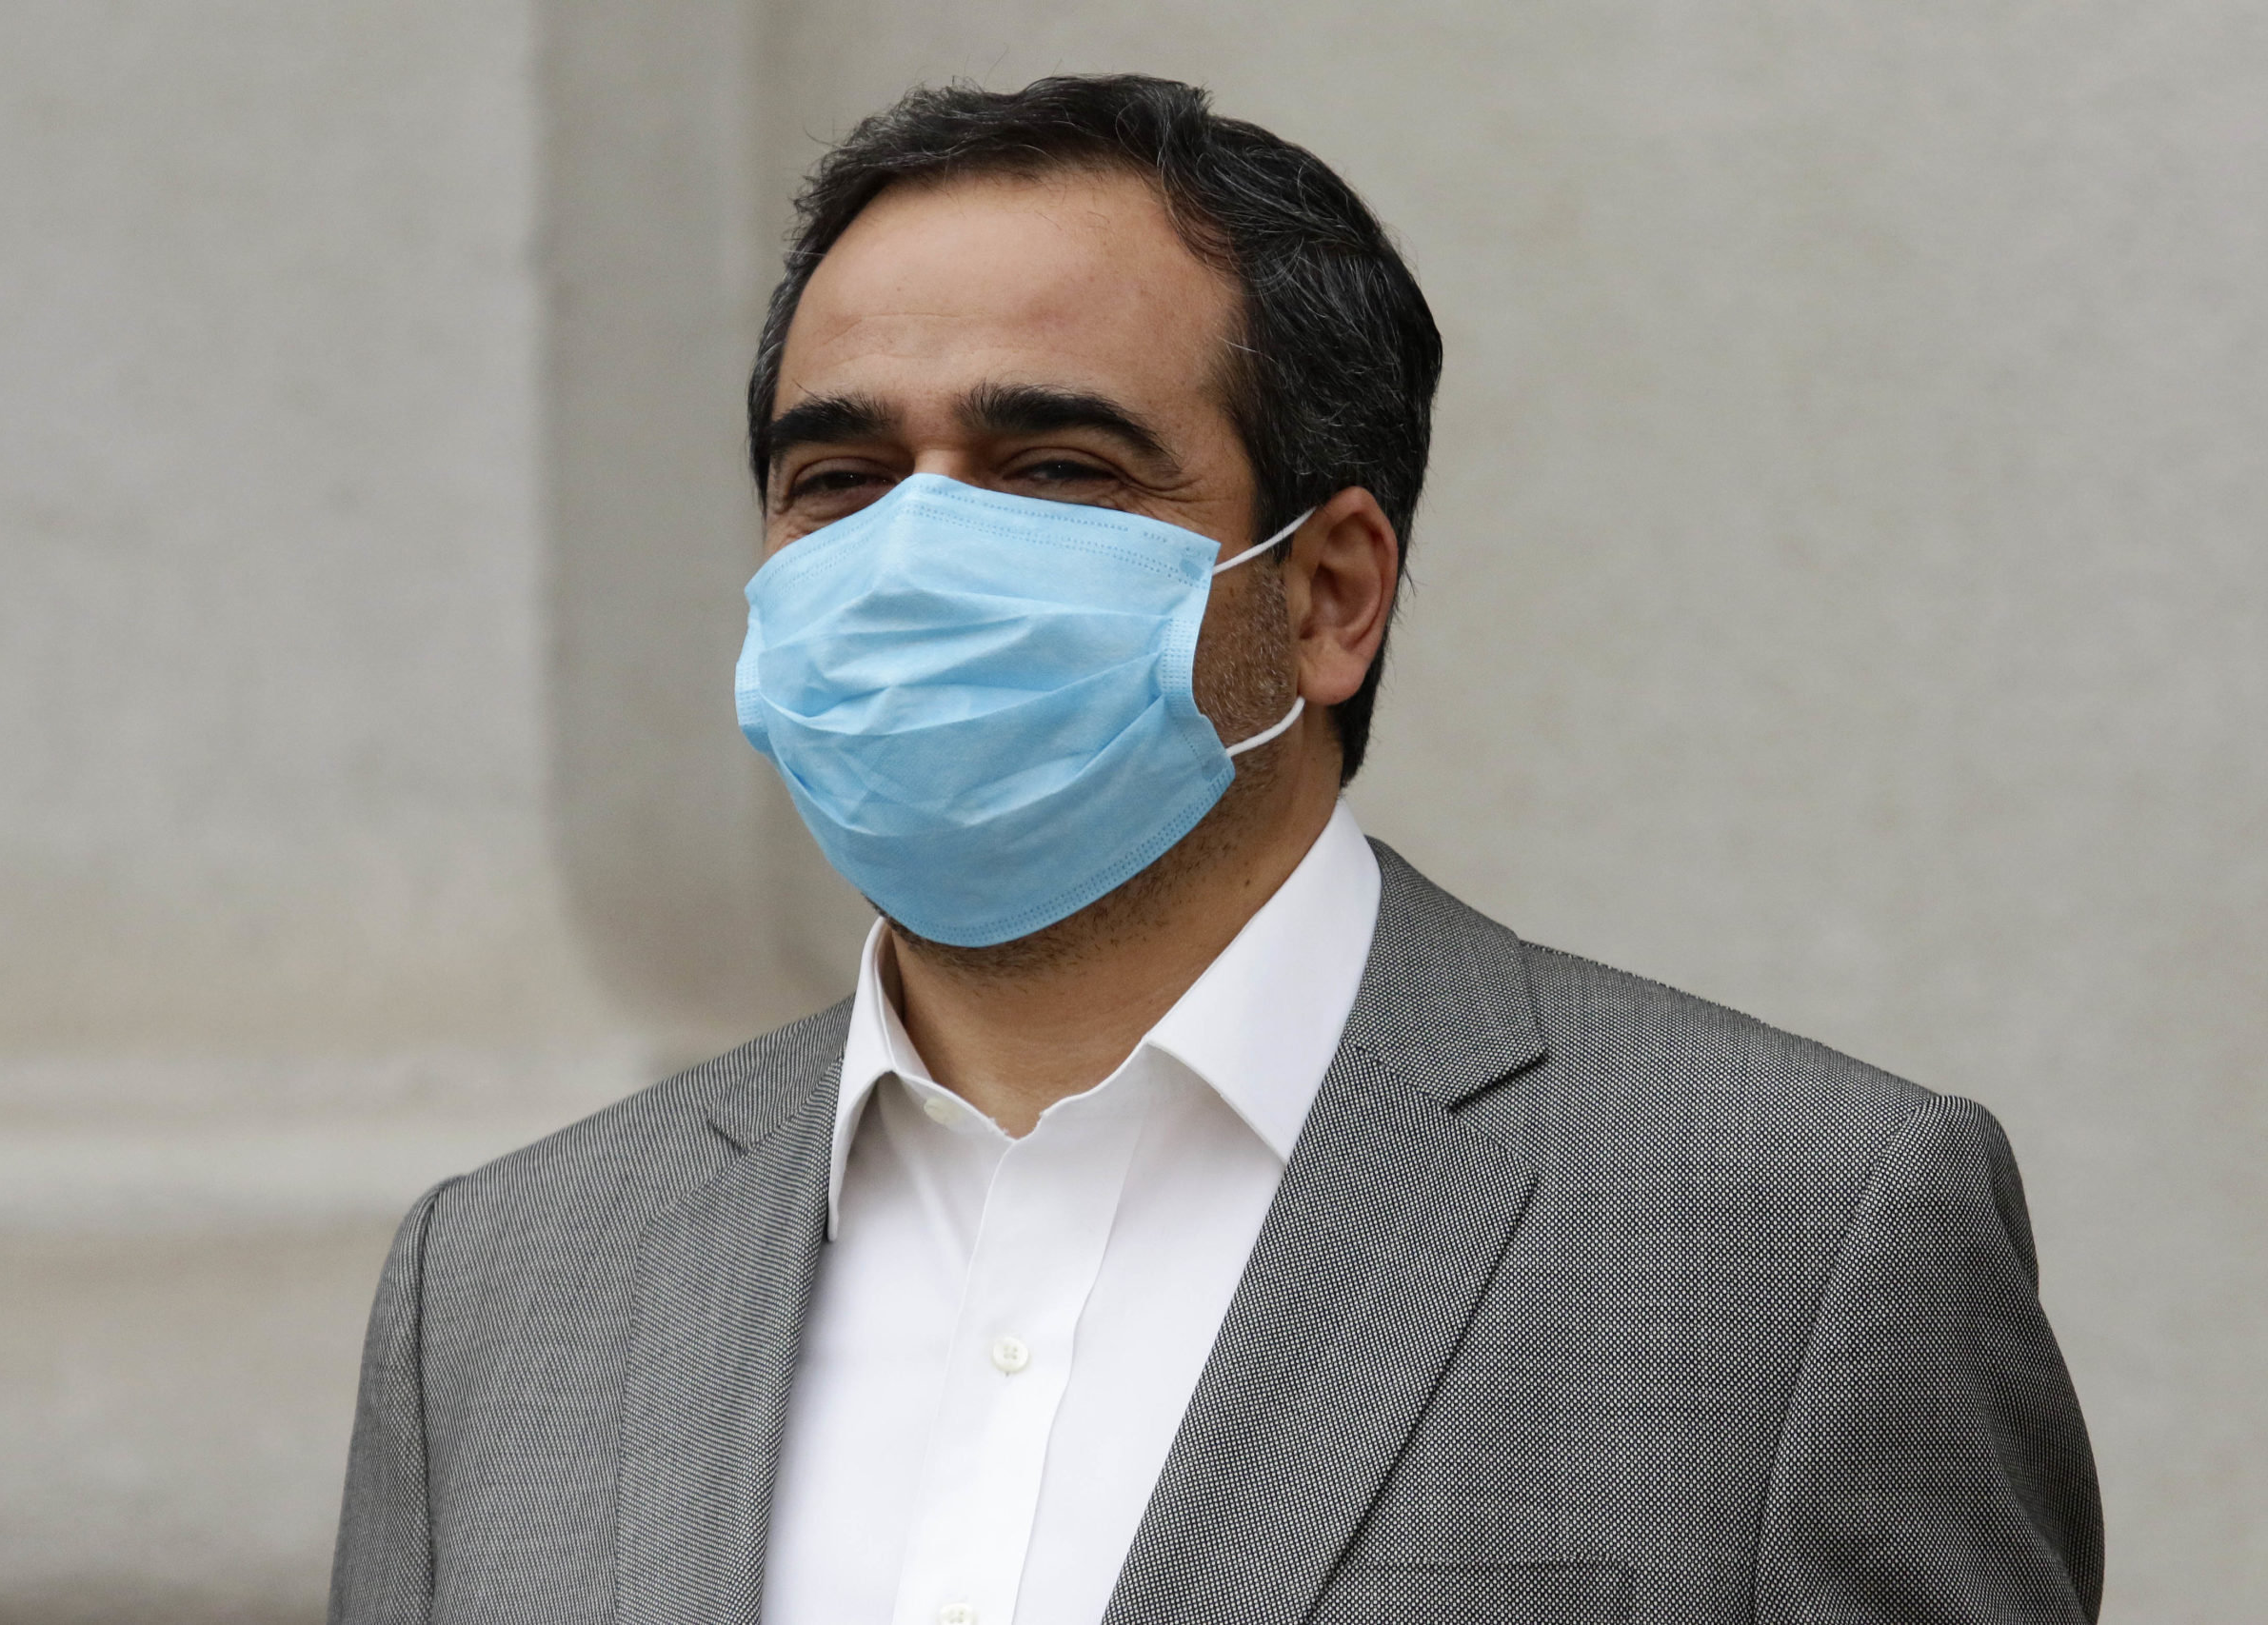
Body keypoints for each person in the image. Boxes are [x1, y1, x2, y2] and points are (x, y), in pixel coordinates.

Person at [329, 74, 2100, 1625]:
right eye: (841, 482)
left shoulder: (1794, 1234)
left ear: (1329, 596)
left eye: (1057, 468)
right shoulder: (501, 1284)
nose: (916, 560)